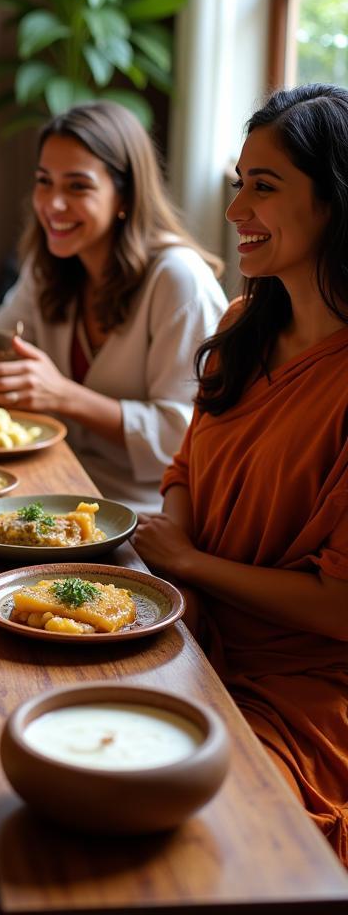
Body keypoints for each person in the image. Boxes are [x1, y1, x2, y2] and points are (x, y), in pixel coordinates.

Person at [134, 84, 348, 864]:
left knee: (192, 834)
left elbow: (340, 608)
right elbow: (187, 463)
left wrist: (189, 563)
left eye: (265, 187)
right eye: (238, 184)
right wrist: (180, 568)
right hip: (187, 622)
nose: (235, 213)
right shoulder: (239, 324)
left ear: (336, 200)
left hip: (303, 690)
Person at [0, 101, 227, 511]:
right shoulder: (49, 266)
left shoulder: (178, 279)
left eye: (77, 186)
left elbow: (185, 438)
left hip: (148, 509)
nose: (52, 204)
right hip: (52, 483)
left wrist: (64, 396)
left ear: (125, 195)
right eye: (44, 181)